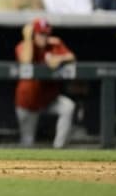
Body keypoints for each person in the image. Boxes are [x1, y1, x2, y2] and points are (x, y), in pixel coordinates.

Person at [15, 18, 76, 148]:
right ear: (33, 34)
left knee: (68, 107)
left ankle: (59, 148)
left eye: (46, 33)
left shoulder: (54, 44)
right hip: (28, 101)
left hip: (49, 99)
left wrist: (59, 59)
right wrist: (27, 38)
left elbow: (71, 56)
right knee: (27, 142)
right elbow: (26, 61)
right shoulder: (24, 45)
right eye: (40, 33)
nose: (44, 37)